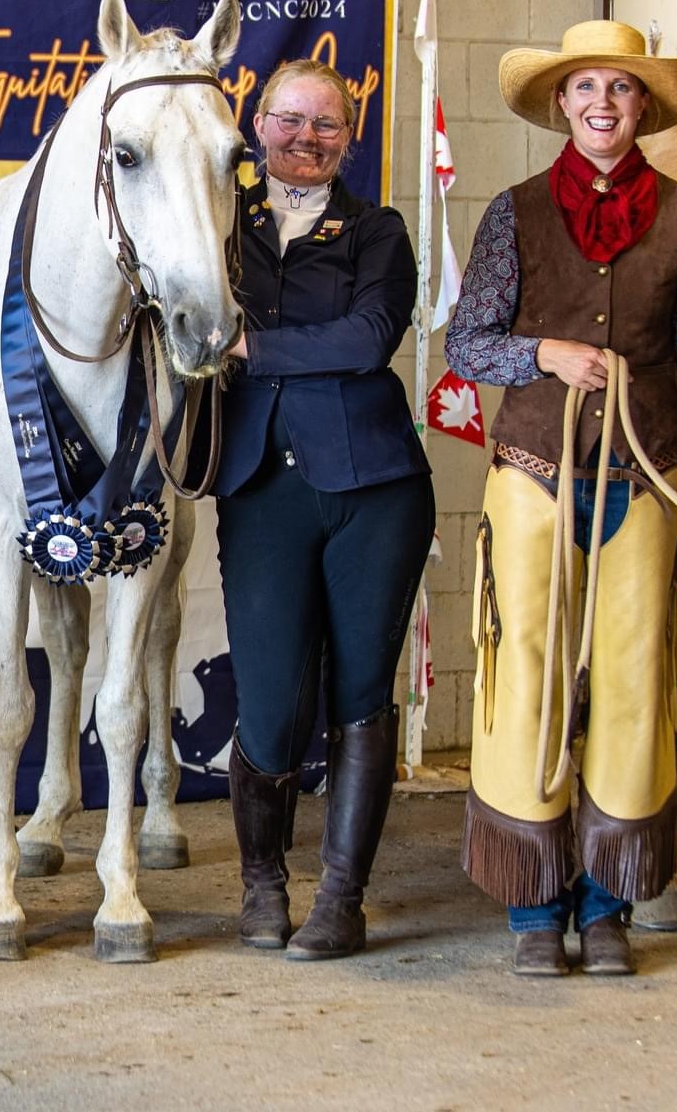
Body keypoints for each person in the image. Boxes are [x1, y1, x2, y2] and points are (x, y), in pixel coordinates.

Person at [445, 20, 677, 978]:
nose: (601, 105)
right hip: (536, 472)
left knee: (634, 683)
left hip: (644, 473)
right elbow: (468, 341)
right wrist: (545, 353)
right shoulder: (513, 213)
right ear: (561, 104)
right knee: (528, 682)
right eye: (586, 88)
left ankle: (607, 900)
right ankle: (534, 906)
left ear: (644, 109)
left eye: (620, 91)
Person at [214, 60, 436, 961]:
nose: (307, 138)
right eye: (291, 120)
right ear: (257, 124)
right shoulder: (221, 222)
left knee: (358, 698)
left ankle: (342, 897)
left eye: (328, 125)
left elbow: (370, 337)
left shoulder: (378, 229)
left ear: (350, 135)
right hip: (262, 486)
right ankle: (262, 878)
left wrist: (251, 345)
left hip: (374, 489)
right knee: (267, 703)